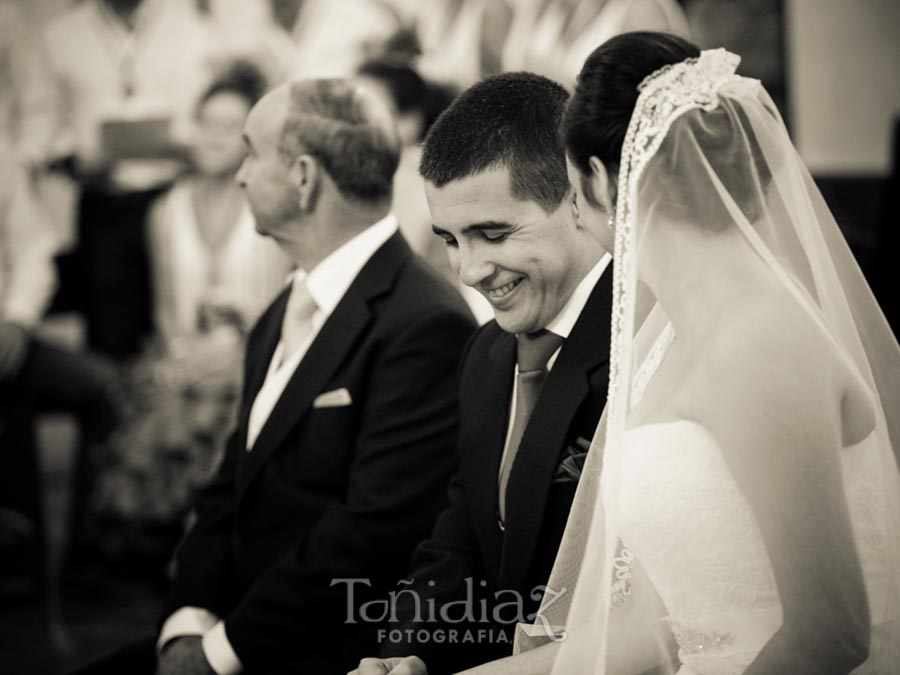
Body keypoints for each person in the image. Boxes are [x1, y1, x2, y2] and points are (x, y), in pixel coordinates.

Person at [372, 31, 900, 675]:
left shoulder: (763, 345)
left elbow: (832, 634)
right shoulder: (667, 341)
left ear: (593, 179)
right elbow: (654, 631)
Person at [78, 78, 475, 675]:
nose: (239, 175)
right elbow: (231, 486)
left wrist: (218, 653)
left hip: (316, 652)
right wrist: (188, 615)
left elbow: (368, 537)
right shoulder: (284, 306)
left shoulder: (424, 323)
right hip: (226, 627)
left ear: (304, 177)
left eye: (251, 153)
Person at [354, 71, 612, 675]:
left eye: (492, 234)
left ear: (576, 198)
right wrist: (404, 656)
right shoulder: (485, 355)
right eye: (449, 239)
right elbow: (462, 537)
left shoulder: (645, 348)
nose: (469, 271)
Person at [148, 61, 291, 349]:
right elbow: (164, 311)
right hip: (188, 371)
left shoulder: (275, 205)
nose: (214, 138)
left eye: (228, 127)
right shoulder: (166, 210)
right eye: (206, 124)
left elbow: (284, 304)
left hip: (261, 362)